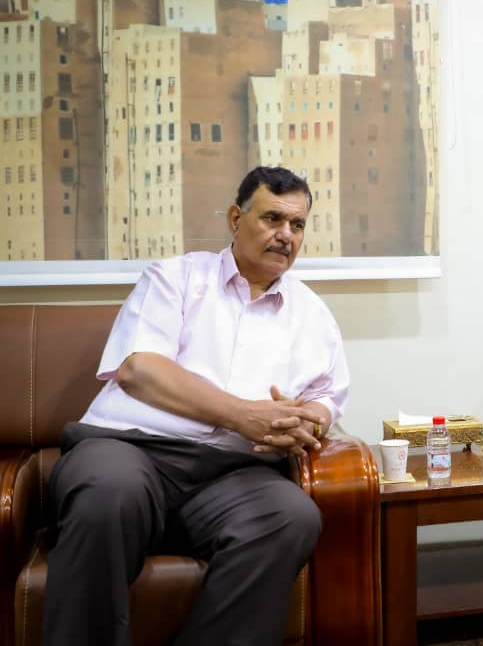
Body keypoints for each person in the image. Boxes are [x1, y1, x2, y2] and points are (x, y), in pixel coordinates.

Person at [43, 166, 349, 645]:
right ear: (235, 219)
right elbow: (140, 370)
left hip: (235, 475)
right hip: (131, 451)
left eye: (297, 224)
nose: (286, 235)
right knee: (107, 491)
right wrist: (244, 415)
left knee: (291, 515)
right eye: (272, 218)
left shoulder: (312, 314)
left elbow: (326, 397)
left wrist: (307, 422)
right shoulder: (176, 278)